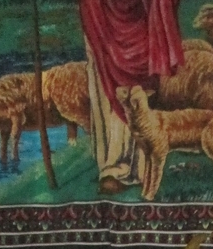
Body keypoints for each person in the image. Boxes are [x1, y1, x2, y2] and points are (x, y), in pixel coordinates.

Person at [79, 0, 184, 193]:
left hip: (142, 16)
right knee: (108, 88)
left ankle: (141, 166)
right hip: (103, 18)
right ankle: (114, 165)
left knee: (140, 92)